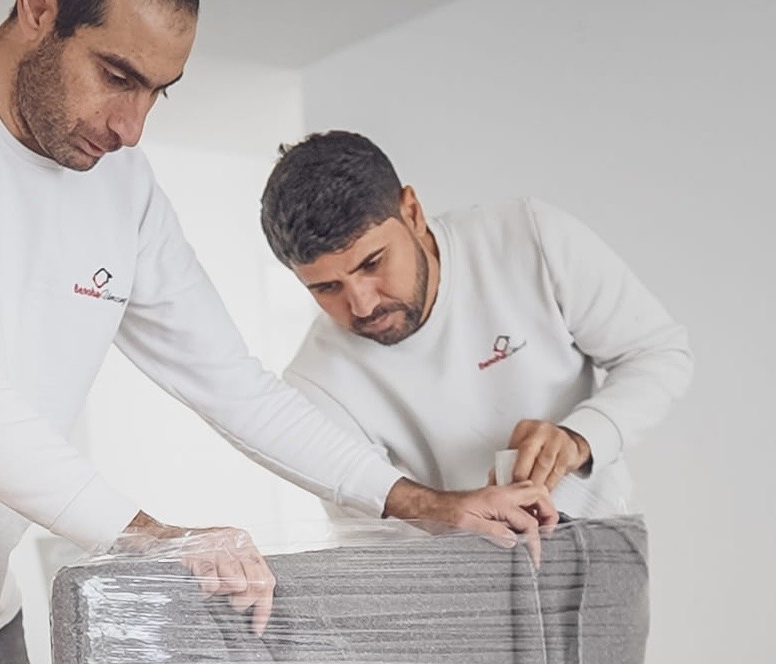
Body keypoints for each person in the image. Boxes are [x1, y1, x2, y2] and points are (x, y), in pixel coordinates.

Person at [0, 2, 558, 664]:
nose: (130, 127)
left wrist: (427, 505)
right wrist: (146, 536)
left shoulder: (122, 186)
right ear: (39, 9)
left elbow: (235, 385)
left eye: (156, 92)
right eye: (116, 75)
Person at [260, 130, 694, 524]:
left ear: (412, 212)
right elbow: (367, 534)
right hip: (453, 576)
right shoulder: (317, 382)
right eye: (326, 288)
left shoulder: (529, 238)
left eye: (372, 263)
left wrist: (582, 437)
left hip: (599, 543)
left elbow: (657, 353)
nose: (362, 303)